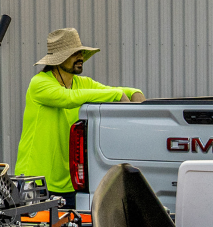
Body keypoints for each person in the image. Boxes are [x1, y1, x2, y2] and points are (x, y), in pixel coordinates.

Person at [16, 28, 144, 208]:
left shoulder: (82, 84)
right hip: (35, 183)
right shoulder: (40, 83)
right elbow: (67, 99)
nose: (80, 56)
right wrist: (117, 95)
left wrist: (135, 93)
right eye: (74, 53)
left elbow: (112, 90)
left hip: (69, 184)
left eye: (81, 52)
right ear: (58, 59)